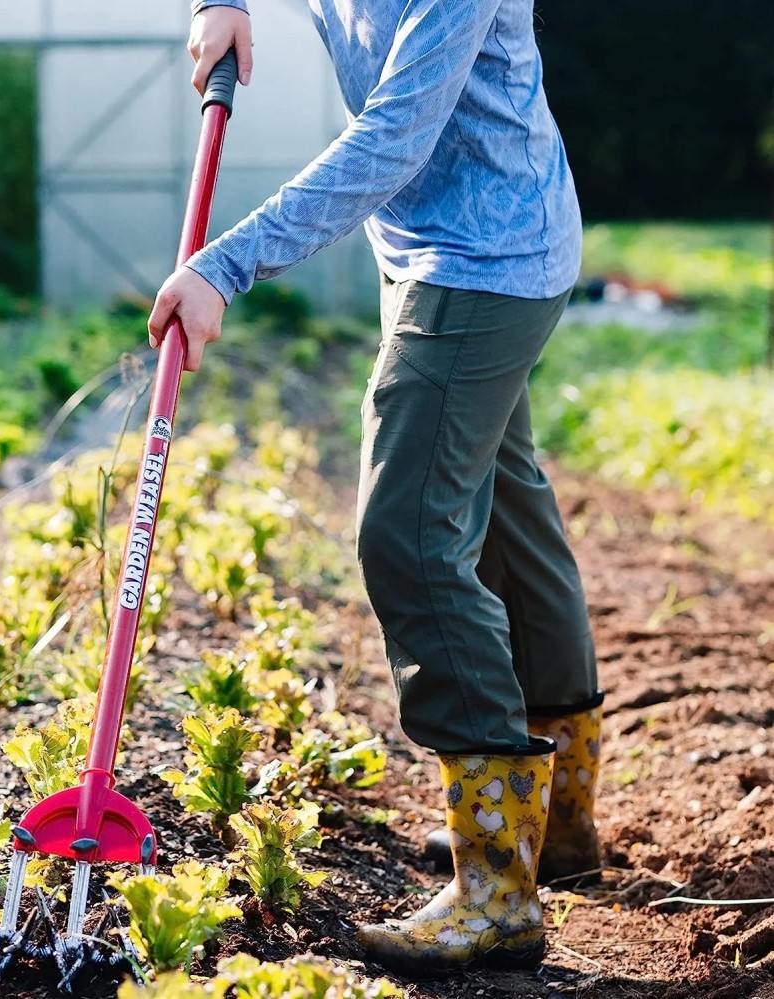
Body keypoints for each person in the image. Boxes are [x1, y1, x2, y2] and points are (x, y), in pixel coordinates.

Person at [148, 0, 604, 973]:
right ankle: (553, 827)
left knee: (410, 534)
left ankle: (497, 889)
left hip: (487, 257)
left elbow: (396, 136)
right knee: (508, 514)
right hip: (445, 248)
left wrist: (225, 266)